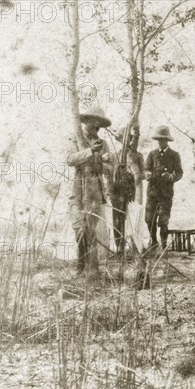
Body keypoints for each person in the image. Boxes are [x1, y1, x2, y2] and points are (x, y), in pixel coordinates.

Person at [66, 106, 114, 282]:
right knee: (79, 228)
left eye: (99, 122)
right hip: (77, 191)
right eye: (93, 121)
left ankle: (91, 269)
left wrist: (101, 163)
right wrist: (90, 152)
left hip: (95, 193)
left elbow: (110, 168)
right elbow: (70, 159)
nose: (96, 125)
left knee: (92, 231)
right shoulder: (76, 139)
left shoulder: (104, 144)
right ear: (86, 122)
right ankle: (81, 264)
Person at [144, 126, 183, 251]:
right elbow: (146, 168)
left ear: (167, 141)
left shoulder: (174, 155)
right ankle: (154, 241)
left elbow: (179, 173)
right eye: (159, 140)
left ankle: (164, 246)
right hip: (152, 192)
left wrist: (171, 177)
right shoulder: (151, 154)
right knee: (149, 219)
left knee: (163, 220)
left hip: (166, 193)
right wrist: (147, 174)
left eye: (163, 140)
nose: (160, 142)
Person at [111, 125, 145, 256]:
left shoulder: (138, 155)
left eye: (130, 139)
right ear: (120, 141)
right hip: (118, 190)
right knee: (117, 219)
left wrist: (136, 172)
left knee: (132, 216)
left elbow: (142, 173)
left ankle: (134, 247)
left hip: (132, 190)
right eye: (125, 140)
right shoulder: (115, 155)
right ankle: (119, 248)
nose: (128, 142)